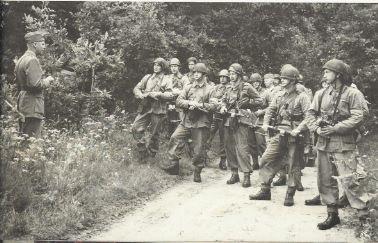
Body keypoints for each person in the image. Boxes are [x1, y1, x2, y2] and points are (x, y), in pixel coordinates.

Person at [305, 59, 369, 230]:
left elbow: (358, 116)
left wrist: (335, 128)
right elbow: (310, 114)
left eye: (328, 71)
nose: (324, 74)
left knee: (350, 180)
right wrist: (317, 129)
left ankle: (363, 216)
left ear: (338, 74)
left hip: (343, 143)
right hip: (323, 143)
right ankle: (332, 214)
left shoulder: (353, 94)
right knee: (325, 179)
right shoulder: (321, 93)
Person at [249, 64, 311, 206]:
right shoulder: (279, 94)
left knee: (293, 165)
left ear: (293, 80)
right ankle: (265, 189)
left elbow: (309, 116)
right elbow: (270, 110)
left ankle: (290, 193)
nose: (282, 80)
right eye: (282, 78)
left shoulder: (302, 97)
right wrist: (265, 123)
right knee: (265, 158)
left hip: (294, 135)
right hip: (279, 133)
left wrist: (299, 129)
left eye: (286, 78)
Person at [165, 63, 216, 182]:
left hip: (201, 122)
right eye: (194, 72)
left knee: (199, 149)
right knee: (175, 138)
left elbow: (214, 106)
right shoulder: (188, 87)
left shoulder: (210, 89)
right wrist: (189, 103)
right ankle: (174, 166)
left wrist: (200, 105)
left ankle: (197, 171)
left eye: (198, 72)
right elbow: (178, 101)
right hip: (187, 120)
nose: (196, 74)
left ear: (204, 74)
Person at [218, 63, 261, 187]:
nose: (231, 76)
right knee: (229, 147)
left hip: (241, 120)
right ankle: (234, 173)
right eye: (230, 74)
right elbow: (224, 100)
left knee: (242, 148)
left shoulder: (246, 87)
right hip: (228, 120)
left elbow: (260, 100)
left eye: (233, 74)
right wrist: (223, 107)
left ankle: (246, 174)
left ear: (239, 74)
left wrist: (247, 103)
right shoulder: (228, 87)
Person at [15, 30, 54, 138]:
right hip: (33, 106)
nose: (44, 46)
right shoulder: (32, 60)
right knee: (32, 141)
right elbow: (35, 85)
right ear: (34, 44)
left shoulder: (22, 59)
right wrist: (47, 81)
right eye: (42, 43)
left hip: (23, 103)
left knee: (23, 138)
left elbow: (21, 83)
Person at [132, 57, 172, 162]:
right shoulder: (148, 77)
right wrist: (140, 94)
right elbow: (137, 88)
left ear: (163, 67)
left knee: (155, 134)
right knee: (135, 128)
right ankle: (143, 151)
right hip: (146, 107)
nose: (156, 67)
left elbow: (170, 94)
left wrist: (159, 94)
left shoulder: (167, 79)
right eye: (155, 65)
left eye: (158, 65)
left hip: (158, 108)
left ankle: (151, 155)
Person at [207, 69, 230, 170]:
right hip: (215, 116)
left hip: (225, 117)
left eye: (224, 77)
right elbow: (211, 99)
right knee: (208, 135)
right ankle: (203, 157)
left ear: (228, 78)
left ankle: (223, 160)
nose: (222, 78)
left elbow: (230, 101)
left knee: (223, 139)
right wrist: (216, 102)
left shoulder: (230, 88)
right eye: (221, 77)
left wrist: (220, 103)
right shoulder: (216, 88)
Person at [164, 58, 184, 137]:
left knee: (179, 119)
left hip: (179, 102)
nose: (173, 68)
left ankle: (179, 138)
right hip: (170, 101)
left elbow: (186, 90)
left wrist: (178, 92)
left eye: (175, 66)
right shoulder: (168, 77)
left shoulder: (183, 78)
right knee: (169, 118)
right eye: (172, 66)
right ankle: (169, 136)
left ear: (179, 67)